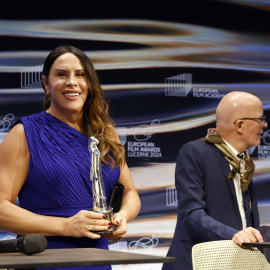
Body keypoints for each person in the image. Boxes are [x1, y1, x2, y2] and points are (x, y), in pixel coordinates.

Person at [0, 45, 141, 270]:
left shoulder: (106, 134)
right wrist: (65, 226)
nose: (72, 82)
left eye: (80, 75)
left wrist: (122, 217)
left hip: (97, 261)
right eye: (62, 74)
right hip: (46, 260)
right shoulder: (25, 133)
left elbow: (130, 192)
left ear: (89, 84)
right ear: (46, 84)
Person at [162, 91, 267, 270]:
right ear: (240, 125)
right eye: (260, 119)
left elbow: (245, 219)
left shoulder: (244, 162)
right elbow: (192, 215)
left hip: (235, 262)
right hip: (197, 263)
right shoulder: (195, 152)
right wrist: (235, 235)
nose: (264, 125)